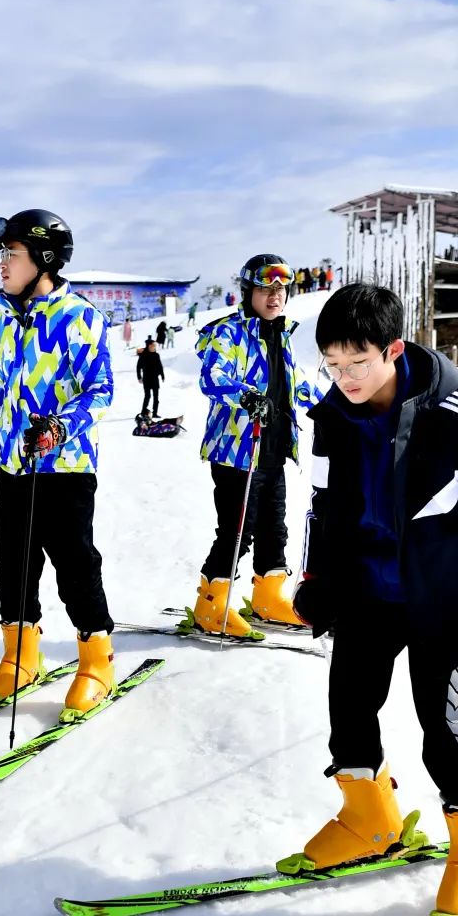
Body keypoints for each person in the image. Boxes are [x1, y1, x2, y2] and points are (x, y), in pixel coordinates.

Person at [277, 282, 458, 916]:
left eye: (358, 363)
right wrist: (317, 578)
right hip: (372, 587)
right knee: (348, 701)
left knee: (439, 710)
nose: (344, 378)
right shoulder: (329, 420)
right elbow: (323, 510)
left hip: (448, 591)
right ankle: (368, 818)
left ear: (394, 349)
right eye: (332, 365)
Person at [0, 209, 115, 720]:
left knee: (74, 563)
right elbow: (3, 383)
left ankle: (96, 661)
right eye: (2, 254)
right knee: (14, 562)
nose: (2, 264)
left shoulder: (78, 315)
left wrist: (58, 426)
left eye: (12, 254)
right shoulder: (7, 314)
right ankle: (21, 652)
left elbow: (101, 389)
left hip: (64, 466)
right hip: (14, 464)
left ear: (44, 259)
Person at [189, 254, 320, 635]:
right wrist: (247, 397)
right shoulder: (229, 332)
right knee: (236, 531)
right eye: (266, 288)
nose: (275, 295)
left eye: (281, 288)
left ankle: (268, 596)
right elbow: (212, 378)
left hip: (274, 449)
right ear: (249, 292)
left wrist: (334, 408)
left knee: (273, 529)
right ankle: (210, 605)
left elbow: (298, 385)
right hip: (236, 451)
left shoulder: (285, 334)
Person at [136, 337, 164, 417]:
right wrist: (139, 377)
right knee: (147, 396)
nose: (154, 347)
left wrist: (162, 374)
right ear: (148, 346)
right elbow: (138, 367)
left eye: (155, 346)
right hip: (147, 379)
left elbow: (160, 365)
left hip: (155, 378)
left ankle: (155, 413)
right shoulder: (143, 356)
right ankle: (143, 412)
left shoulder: (156, 355)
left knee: (156, 397)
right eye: (153, 346)